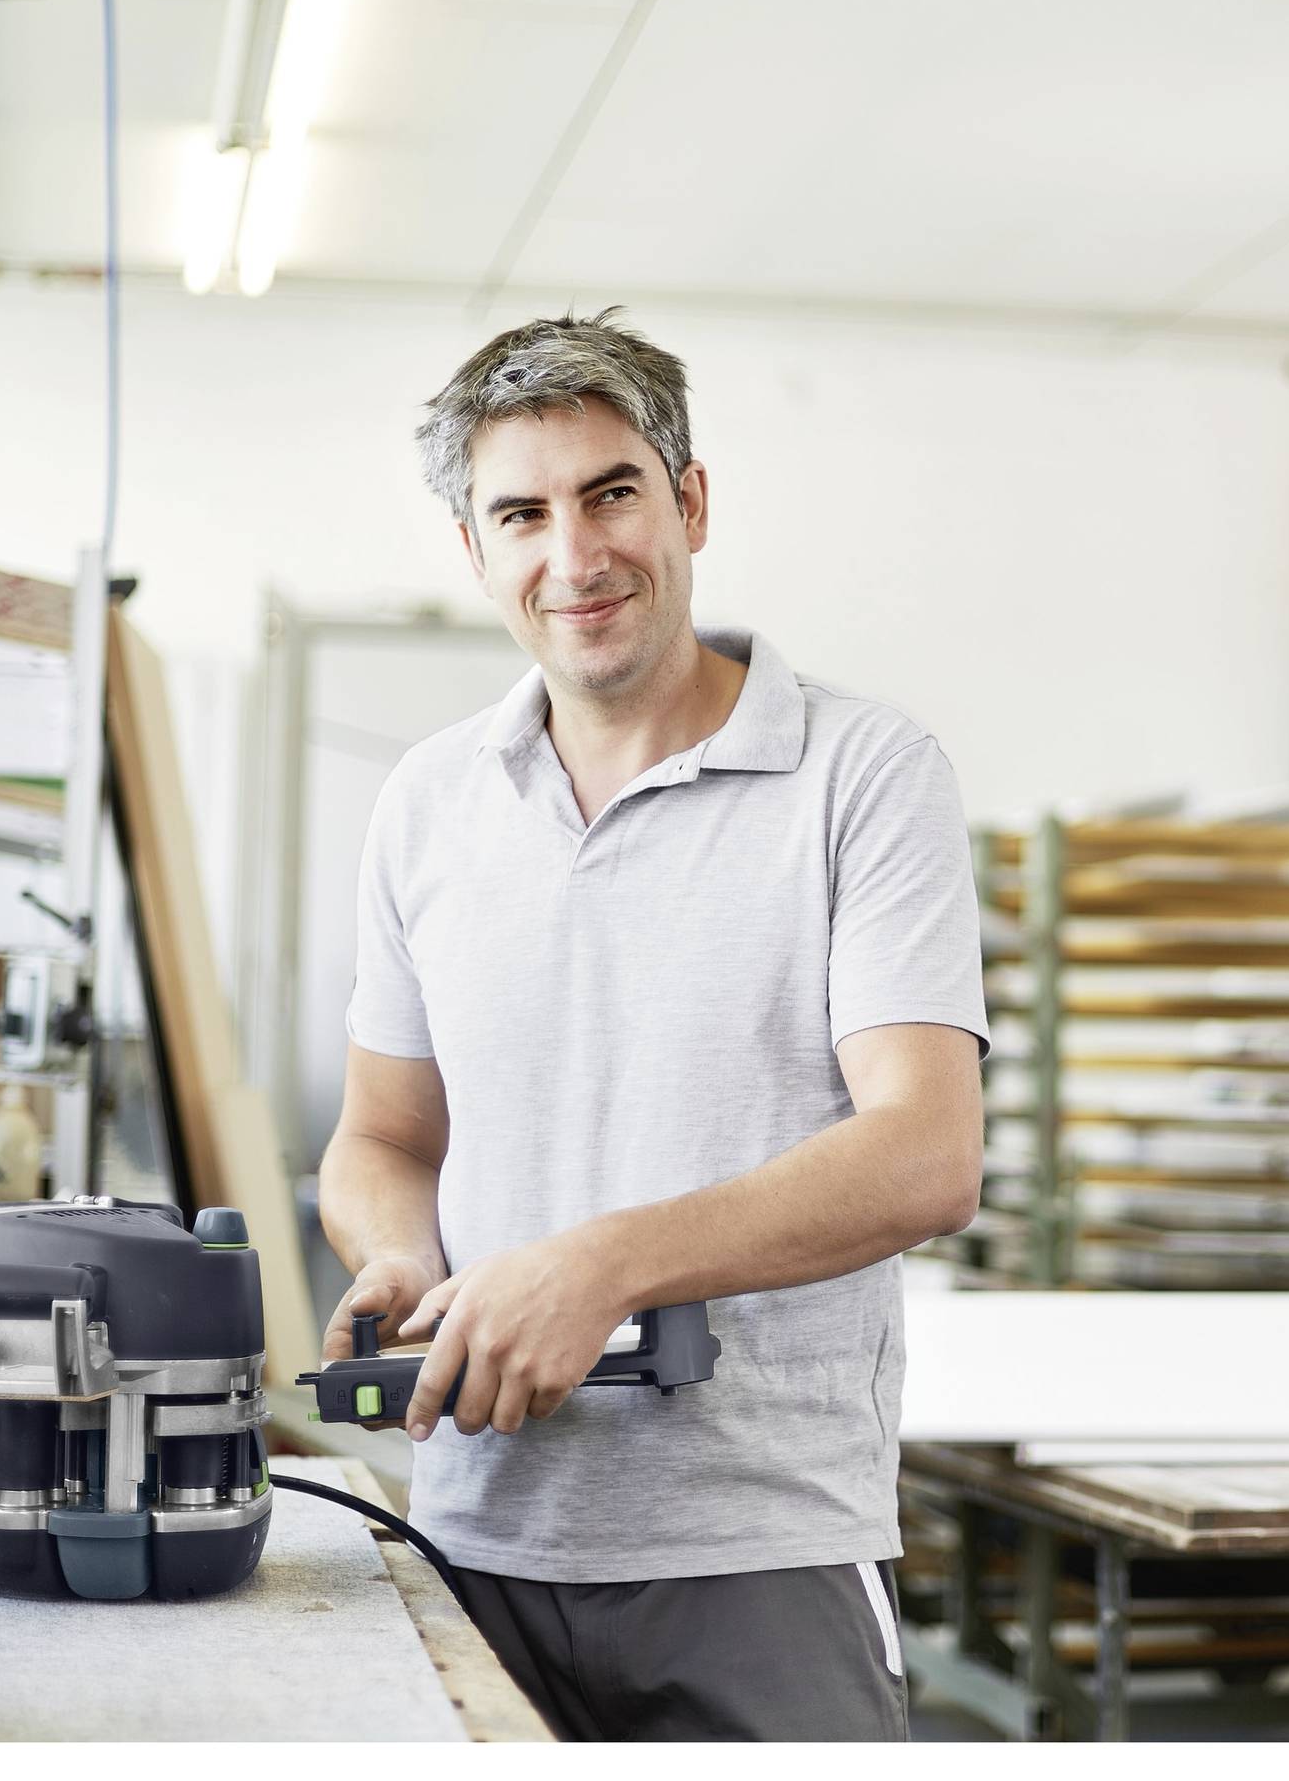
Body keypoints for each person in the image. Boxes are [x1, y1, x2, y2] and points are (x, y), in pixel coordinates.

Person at [316, 310, 987, 1741]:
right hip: (479, 1530)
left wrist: (601, 1266)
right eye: (523, 513)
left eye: (612, 492)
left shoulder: (863, 776)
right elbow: (383, 1131)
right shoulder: (427, 804)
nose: (577, 553)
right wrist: (398, 1253)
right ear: (476, 551)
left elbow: (927, 1153)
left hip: (757, 1549)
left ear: (689, 501)